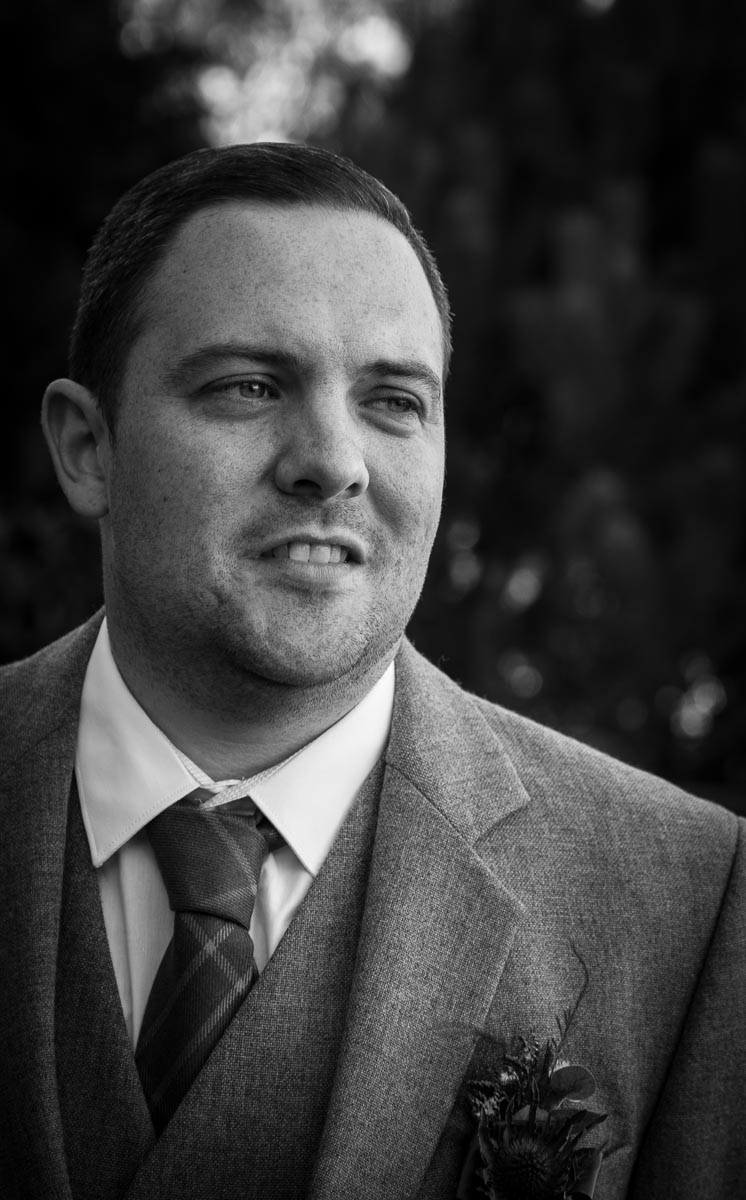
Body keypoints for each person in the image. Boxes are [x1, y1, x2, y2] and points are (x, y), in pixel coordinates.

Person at [0, 143, 743, 1200]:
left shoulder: (689, 897)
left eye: (393, 401)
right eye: (250, 386)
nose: (333, 462)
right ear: (87, 447)